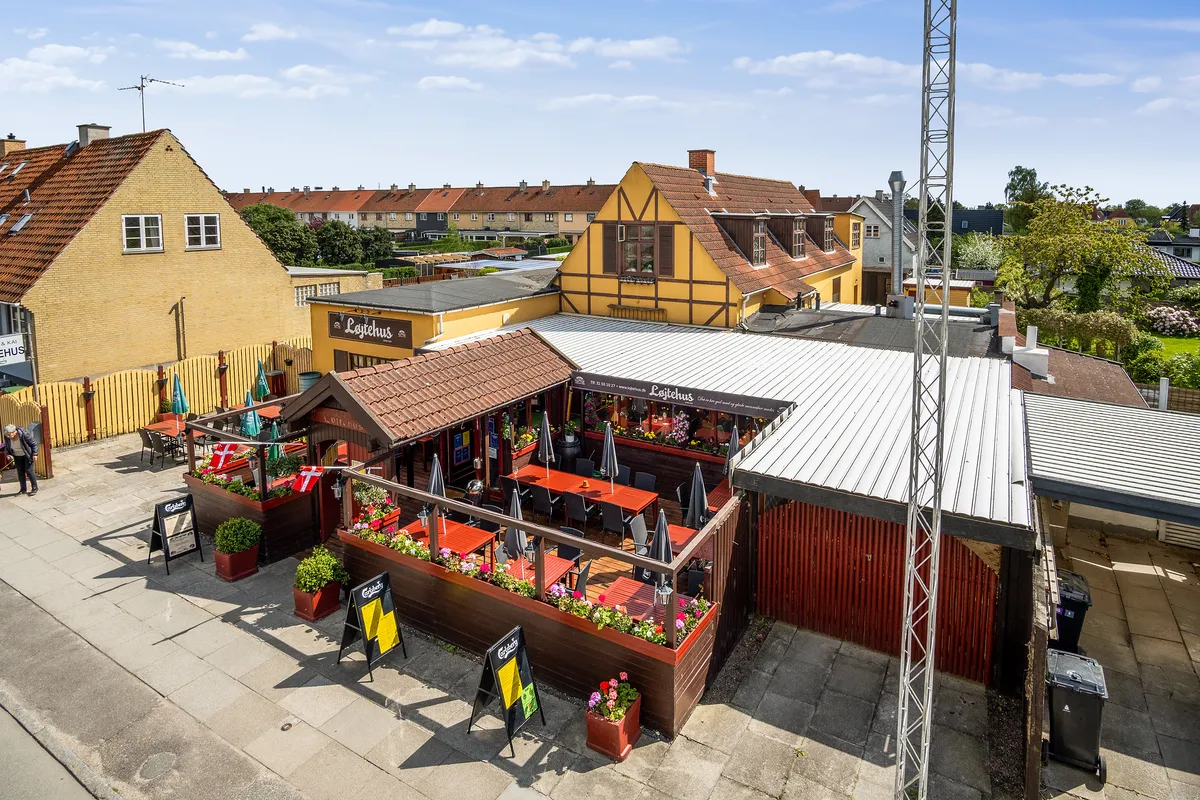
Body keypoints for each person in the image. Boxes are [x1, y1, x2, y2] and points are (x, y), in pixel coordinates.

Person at [3, 424, 38, 496]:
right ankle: (23, 489)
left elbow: (34, 444)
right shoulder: (7, 437)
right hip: (17, 456)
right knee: (20, 472)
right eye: (7, 435)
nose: (8, 437)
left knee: (29, 471)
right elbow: (7, 447)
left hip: (27, 455)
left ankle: (34, 488)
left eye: (9, 435)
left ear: (14, 432)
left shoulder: (23, 434)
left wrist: (35, 454)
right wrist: (7, 454)